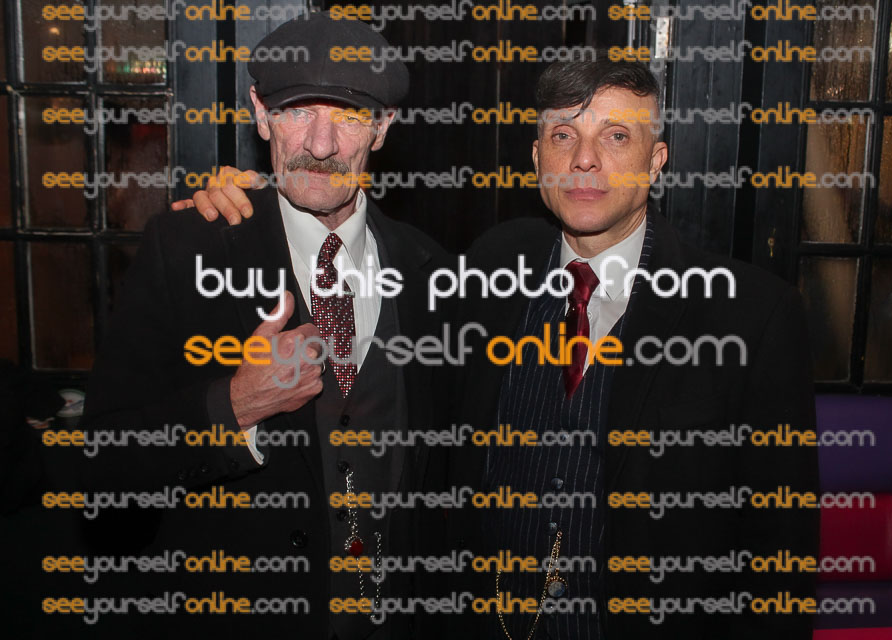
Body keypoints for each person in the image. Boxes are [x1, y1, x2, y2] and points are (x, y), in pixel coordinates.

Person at [185, 58, 819, 639]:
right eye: (563, 136)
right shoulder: (489, 270)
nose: (585, 160)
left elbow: (780, 556)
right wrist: (257, 201)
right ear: (537, 158)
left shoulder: (751, 316)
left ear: (656, 162)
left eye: (616, 136)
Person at [81, 12, 449, 640]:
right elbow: (102, 466)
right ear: (260, 113)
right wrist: (233, 406)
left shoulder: (429, 270)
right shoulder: (188, 249)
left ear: (383, 127)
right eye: (298, 111)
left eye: (349, 115)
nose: (321, 145)